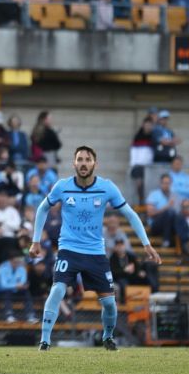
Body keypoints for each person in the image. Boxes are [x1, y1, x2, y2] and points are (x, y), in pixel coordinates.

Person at [31, 146, 161, 351]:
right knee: (57, 290)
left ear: (95, 164)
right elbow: (42, 208)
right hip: (69, 249)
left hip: (95, 253)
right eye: (80, 160)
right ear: (74, 164)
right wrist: (35, 240)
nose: (83, 163)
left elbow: (130, 214)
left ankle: (107, 337)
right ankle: (45, 341)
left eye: (87, 159)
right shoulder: (62, 186)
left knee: (109, 303)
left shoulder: (107, 187)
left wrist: (146, 244)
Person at [0, 254, 36, 322]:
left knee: (26, 292)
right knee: (7, 292)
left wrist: (18, 286)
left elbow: (23, 283)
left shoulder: (22, 269)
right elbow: (3, 286)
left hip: (15, 292)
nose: (17, 263)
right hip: (0, 293)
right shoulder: (2, 269)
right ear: (10, 261)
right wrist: (16, 285)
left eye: (19, 261)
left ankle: (30, 316)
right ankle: (9, 315)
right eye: (15, 261)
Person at [146, 174, 179, 247]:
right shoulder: (153, 194)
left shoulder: (174, 195)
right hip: (155, 225)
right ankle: (166, 240)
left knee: (174, 214)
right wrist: (166, 207)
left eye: (168, 183)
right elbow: (150, 213)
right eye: (165, 183)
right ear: (161, 183)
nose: (166, 185)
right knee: (167, 212)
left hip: (171, 224)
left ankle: (182, 242)